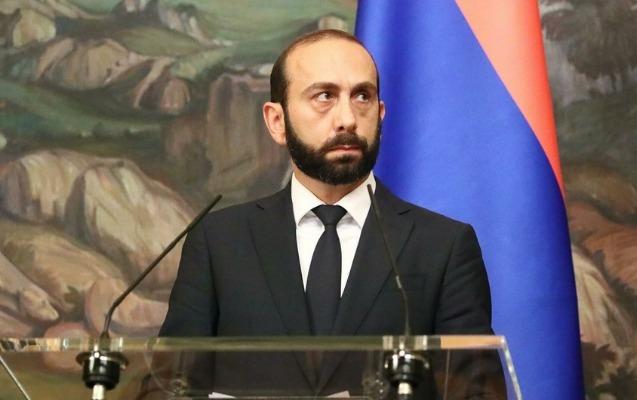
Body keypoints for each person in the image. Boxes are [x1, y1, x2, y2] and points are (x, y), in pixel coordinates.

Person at [158, 29, 500, 398]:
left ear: (380, 115)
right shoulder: (219, 242)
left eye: (362, 96)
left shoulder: (443, 247)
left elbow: (477, 394)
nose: (348, 119)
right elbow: (165, 387)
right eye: (325, 96)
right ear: (277, 121)